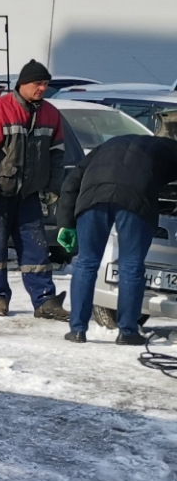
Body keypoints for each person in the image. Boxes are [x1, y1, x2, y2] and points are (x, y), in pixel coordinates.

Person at [0, 60, 68, 320]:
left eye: (46, 84)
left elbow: (57, 155)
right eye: (38, 84)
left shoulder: (50, 114)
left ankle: (45, 300)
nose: (42, 89)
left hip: (29, 196)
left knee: (36, 250)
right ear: (22, 84)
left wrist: (52, 187)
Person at [58, 130, 177, 344]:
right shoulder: (169, 149)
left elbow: (71, 182)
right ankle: (128, 331)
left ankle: (77, 330)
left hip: (92, 198)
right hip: (134, 200)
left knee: (86, 263)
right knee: (131, 265)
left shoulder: (106, 145)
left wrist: (65, 224)